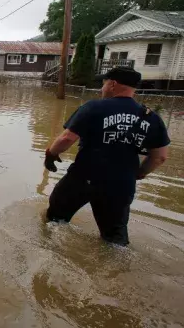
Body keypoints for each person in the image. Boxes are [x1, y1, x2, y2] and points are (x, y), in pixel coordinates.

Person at [44, 66, 170, 245]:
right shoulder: (151, 117)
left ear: (112, 84)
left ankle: (49, 251)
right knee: (114, 239)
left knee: (54, 221)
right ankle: (116, 270)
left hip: (84, 178)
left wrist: (50, 154)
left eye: (103, 83)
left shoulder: (94, 107)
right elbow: (160, 157)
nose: (101, 88)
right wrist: (139, 173)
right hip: (121, 185)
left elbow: (66, 138)